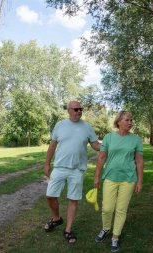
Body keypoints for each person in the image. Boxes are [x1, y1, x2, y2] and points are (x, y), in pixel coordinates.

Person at [43, 101, 100, 244]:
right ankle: (56, 219)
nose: (79, 111)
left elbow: (95, 144)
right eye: (76, 109)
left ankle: (68, 230)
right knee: (50, 195)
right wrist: (47, 164)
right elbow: (52, 146)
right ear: (68, 110)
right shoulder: (60, 125)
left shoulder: (87, 127)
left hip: (77, 170)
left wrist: (110, 145)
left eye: (81, 109)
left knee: (73, 199)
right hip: (59, 167)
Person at [94, 111, 143, 252]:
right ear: (119, 122)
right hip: (110, 177)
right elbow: (101, 158)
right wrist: (97, 177)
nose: (130, 122)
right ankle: (105, 228)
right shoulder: (109, 138)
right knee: (107, 208)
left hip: (128, 179)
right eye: (127, 120)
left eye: (131, 120)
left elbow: (139, 161)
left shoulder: (136, 140)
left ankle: (115, 237)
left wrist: (140, 181)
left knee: (121, 209)